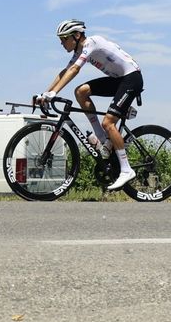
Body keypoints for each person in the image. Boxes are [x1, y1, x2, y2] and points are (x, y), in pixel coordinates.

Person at [37, 19, 143, 192]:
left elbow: (74, 70)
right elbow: (65, 71)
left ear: (77, 35)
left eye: (64, 39)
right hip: (118, 80)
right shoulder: (79, 50)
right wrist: (46, 93)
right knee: (81, 92)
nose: (61, 43)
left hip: (131, 78)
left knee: (108, 123)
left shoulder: (91, 43)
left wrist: (53, 94)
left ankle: (126, 169)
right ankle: (101, 138)